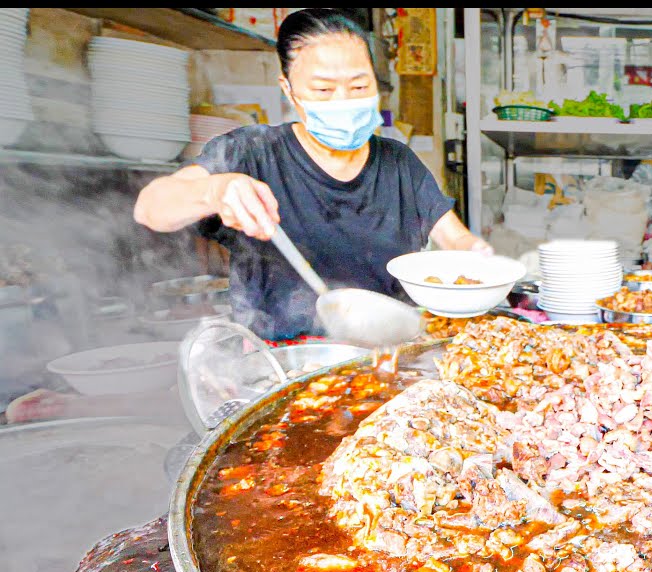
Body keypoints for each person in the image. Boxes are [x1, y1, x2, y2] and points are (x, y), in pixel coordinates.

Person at [133, 8, 490, 341]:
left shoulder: (398, 163)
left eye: (359, 86)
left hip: (390, 352)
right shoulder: (251, 153)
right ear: (289, 90)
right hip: (282, 363)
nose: (343, 100)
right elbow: (150, 208)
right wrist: (214, 191)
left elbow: (456, 241)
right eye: (323, 89)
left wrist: (480, 258)